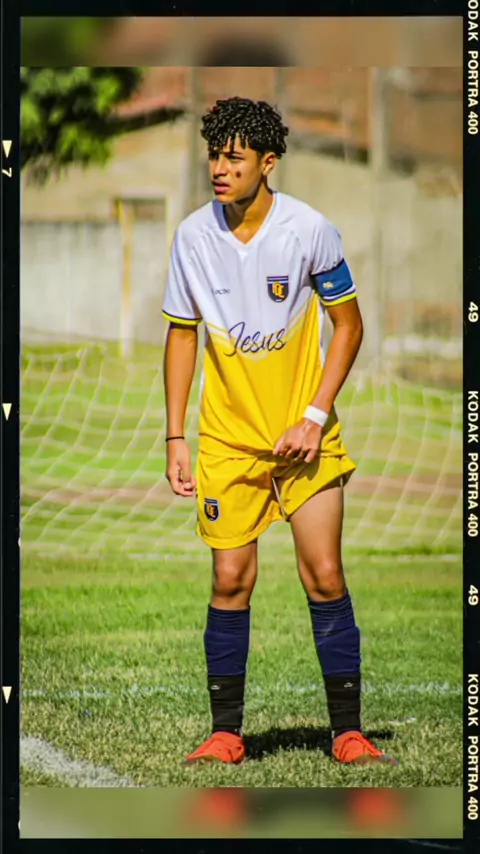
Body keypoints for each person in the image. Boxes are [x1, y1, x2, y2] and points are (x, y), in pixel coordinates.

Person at [162, 96, 397, 767]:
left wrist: (315, 416)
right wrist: (175, 437)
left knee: (324, 574)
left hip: (305, 442)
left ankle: (348, 733)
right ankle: (225, 735)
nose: (220, 168)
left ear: (268, 162)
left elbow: (349, 325)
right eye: (214, 155)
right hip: (227, 442)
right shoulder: (192, 237)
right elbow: (181, 335)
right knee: (230, 579)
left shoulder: (310, 230)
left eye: (234, 157)